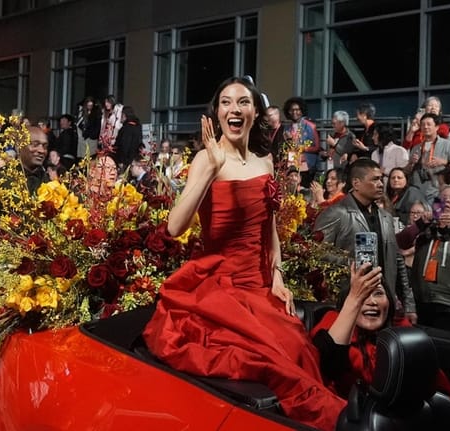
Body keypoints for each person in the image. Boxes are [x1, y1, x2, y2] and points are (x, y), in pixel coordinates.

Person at [142, 77, 345, 431]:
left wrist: (278, 276)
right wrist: (208, 169)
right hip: (221, 287)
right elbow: (174, 227)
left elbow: (269, 230)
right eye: (225, 102)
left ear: (254, 112)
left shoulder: (264, 162)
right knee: (272, 360)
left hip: (260, 286)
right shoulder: (207, 158)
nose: (234, 108)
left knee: (298, 350)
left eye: (243, 102)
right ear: (217, 113)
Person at [310, 262, 450, 400]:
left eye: (378, 293)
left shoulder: (403, 334)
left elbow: (438, 390)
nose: (372, 302)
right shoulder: (333, 323)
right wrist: (354, 299)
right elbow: (326, 366)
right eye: (363, 294)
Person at [315, 158, 416, 323]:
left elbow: (398, 260)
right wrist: (354, 264)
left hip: (383, 305)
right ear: (356, 183)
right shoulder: (335, 213)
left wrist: (409, 304)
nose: (381, 184)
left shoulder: (387, 217)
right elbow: (315, 254)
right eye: (375, 179)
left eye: (381, 179)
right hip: (347, 303)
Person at [396, 184, 450, 331]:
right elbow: (400, 242)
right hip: (421, 300)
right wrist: (420, 224)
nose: (447, 201)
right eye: (443, 197)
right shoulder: (426, 227)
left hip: (449, 304)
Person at [0, 126, 49, 233]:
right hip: (3, 246)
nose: (41, 150)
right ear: (19, 146)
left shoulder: (50, 183)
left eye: (45, 146)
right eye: (35, 144)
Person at [407, 113, 450, 202]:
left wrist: (444, 162)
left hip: (438, 192)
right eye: (423, 125)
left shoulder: (448, 144)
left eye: (429, 124)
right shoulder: (416, 148)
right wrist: (411, 163)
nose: (425, 127)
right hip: (418, 192)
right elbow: (407, 171)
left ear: (437, 127)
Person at [283, 97, 320, 186]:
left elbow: (317, 147)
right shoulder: (287, 128)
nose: (294, 112)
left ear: (302, 110)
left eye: (297, 109)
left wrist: (301, 148)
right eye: (291, 110)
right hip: (292, 167)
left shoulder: (310, 126)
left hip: (306, 167)